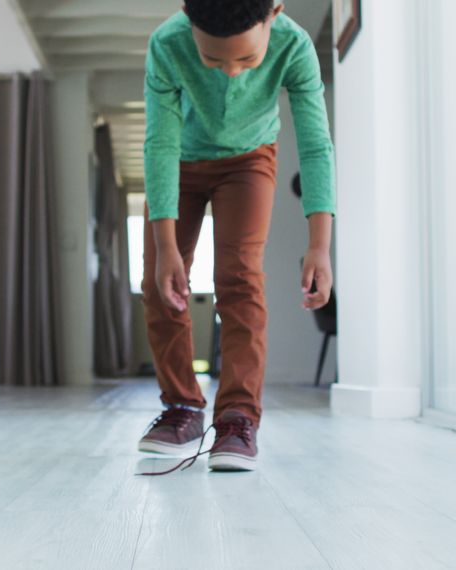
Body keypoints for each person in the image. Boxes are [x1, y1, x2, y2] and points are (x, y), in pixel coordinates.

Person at [138, 0, 335, 474]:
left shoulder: (293, 45)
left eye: (247, 60)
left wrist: (320, 245)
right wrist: (166, 250)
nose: (230, 73)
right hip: (178, 162)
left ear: (274, 14)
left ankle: (237, 418)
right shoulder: (168, 43)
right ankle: (183, 407)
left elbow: (314, 144)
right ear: (188, 18)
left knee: (239, 278)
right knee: (158, 281)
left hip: (249, 160)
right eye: (213, 60)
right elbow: (160, 142)